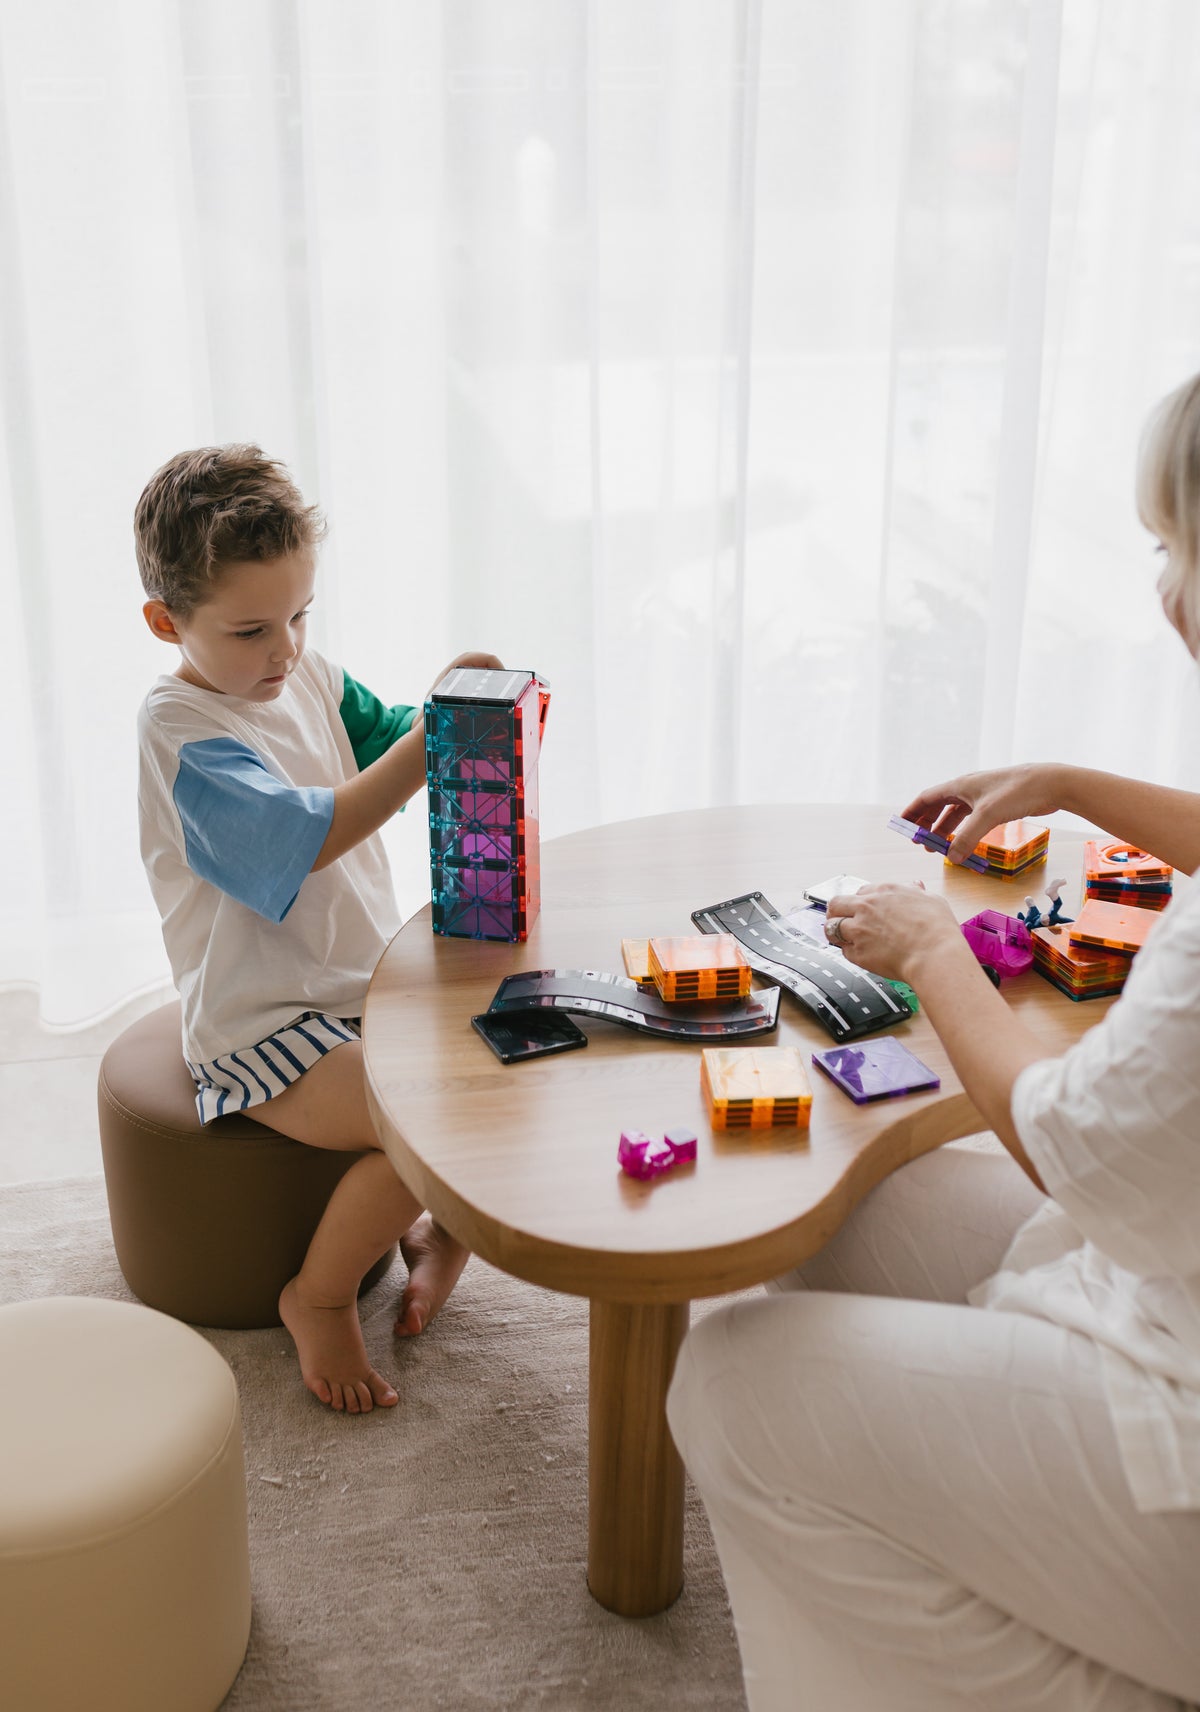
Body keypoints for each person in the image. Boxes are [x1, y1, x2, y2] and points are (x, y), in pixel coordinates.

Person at [667, 372, 1200, 1710]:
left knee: (733, 1387)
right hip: (1157, 1285)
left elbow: (1072, 1140)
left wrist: (931, 951)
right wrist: (1075, 782)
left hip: (1178, 1426)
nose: (1160, 587)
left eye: (1173, 548)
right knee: (841, 1212)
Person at [135, 444, 499, 1415]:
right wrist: (427, 747)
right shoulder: (183, 731)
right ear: (166, 622)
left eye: (299, 615)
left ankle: (440, 1225)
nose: (285, 649)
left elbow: (384, 737)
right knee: (413, 1119)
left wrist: (450, 707)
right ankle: (320, 1290)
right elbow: (315, 831)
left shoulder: (301, 674)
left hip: (356, 987)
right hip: (262, 1020)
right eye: (252, 628)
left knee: (498, 1064)